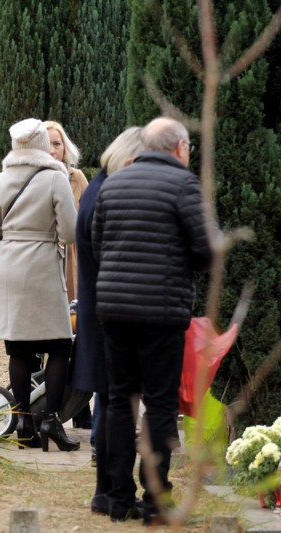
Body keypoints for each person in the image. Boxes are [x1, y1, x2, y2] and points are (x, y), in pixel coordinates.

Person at [92, 117, 212, 524]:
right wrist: (183, 267)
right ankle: (155, 499)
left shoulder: (114, 183)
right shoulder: (183, 185)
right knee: (160, 403)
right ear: (179, 148)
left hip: (114, 308)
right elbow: (207, 248)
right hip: (161, 310)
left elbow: (97, 242)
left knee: (120, 401)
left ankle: (117, 497)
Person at [0, 118, 78, 452]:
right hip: (44, 266)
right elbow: (70, 232)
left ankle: (22, 421)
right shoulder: (55, 178)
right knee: (59, 345)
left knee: (18, 348)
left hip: (9, 268)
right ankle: (49, 418)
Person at [72, 127, 143, 517]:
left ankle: (107, 487)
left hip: (99, 304)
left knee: (110, 397)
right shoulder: (106, 193)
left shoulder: (99, 187)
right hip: (107, 308)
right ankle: (111, 488)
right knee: (114, 399)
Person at [43, 121, 88, 304]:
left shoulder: (76, 177)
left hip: (70, 255)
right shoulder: (25, 179)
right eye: (46, 144)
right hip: (40, 255)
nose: (52, 151)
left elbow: (90, 216)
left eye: (57, 144)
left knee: (70, 313)